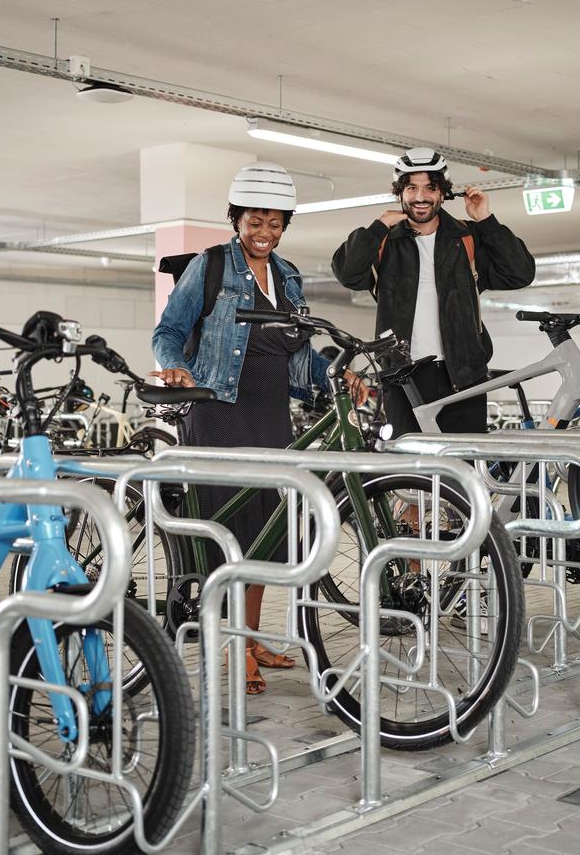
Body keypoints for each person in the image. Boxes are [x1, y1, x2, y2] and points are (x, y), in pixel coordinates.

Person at [151, 162, 367, 695]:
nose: (264, 233)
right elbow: (169, 330)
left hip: (271, 413)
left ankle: (248, 638)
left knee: (265, 533)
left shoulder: (289, 276)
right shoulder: (212, 266)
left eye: (274, 223)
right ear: (236, 219)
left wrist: (339, 376)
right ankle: (232, 644)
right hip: (219, 410)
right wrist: (175, 365)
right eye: (254, 222)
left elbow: (301, 350)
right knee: (231, 536)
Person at [331, 147, 535, 436]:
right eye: (412, 187)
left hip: (464, 377)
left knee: (462, 469)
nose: (421, 197)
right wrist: (379, 226)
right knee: (411, 470)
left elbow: (520, 272)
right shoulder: (385, 243)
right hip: (403, 378)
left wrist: (486, 220)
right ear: (400, 192)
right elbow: (347, 273)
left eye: (430, 187)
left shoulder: (466, 238)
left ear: (442, 193)